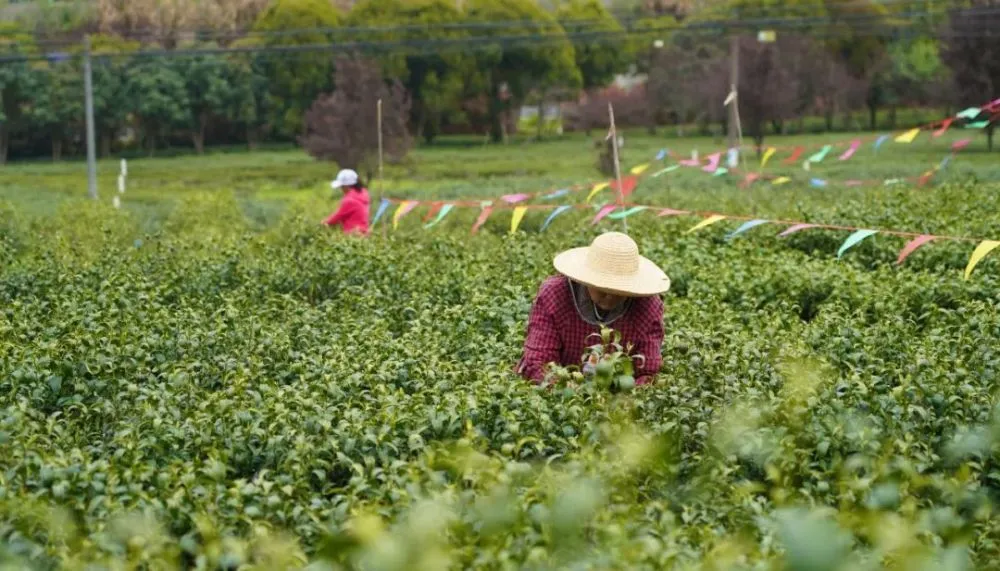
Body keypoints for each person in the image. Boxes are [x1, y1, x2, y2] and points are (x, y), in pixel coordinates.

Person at [517, 231, 669, 386]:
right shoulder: (556, 295)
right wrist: (567, 393)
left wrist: (621, 400)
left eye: (619, 292)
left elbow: (648, 372)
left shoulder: (647, 306)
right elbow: (539, 362)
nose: (610, 297)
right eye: (602, 289)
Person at [323, 169, 370, 235]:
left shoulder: (350, 200)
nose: (341, 188)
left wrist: (325, 222)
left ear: (347, 186)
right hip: (363, 232)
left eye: (341, 186)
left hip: (353, 234)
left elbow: (337, 216)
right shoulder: (363, 192)